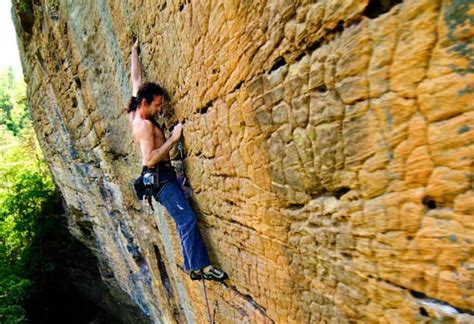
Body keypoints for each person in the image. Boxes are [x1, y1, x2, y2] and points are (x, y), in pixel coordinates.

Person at [127, 39, 227, 282]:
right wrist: (172, 139)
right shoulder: (143, 126)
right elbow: (149, 159)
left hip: (163, 178)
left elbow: (136, 81)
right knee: (187, 219)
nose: (161, 109)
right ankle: (200, 268)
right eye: (158, 105)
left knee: (184, 220)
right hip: (161, 181)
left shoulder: (136, 107)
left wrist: (134, 52)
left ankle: (193, 266)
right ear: (145, 104)